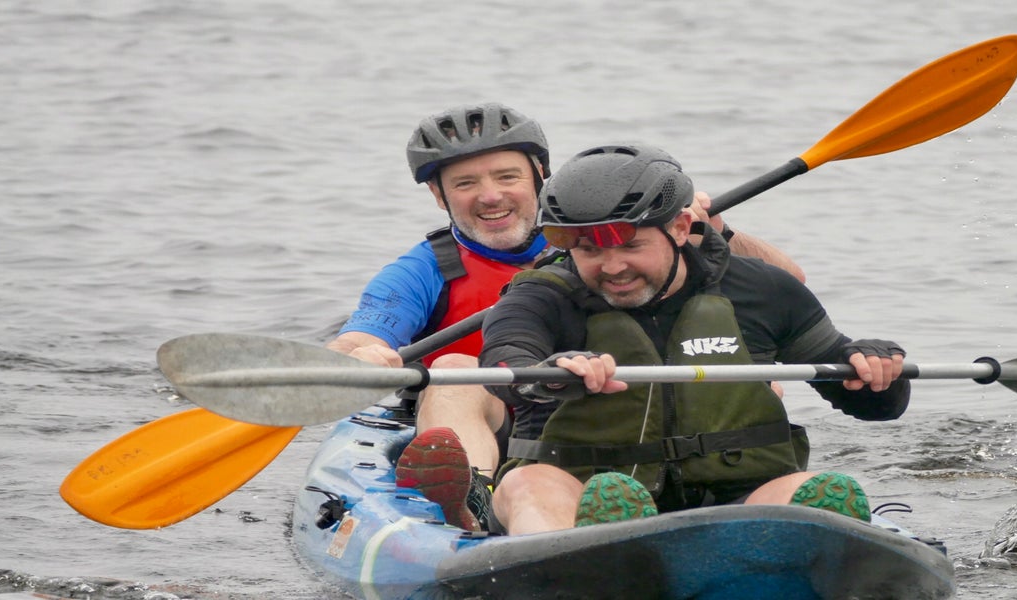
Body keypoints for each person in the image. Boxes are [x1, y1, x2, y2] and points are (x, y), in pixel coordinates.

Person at [327, 103, 805, 532]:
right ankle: (475, 497)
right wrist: (360, 357)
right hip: (503, 422)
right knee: (455, 369)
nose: (490, 196)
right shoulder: (421, 271)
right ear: (439, 195)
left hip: (621, 412)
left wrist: (716, 230)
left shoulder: (618, 237)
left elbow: (789, 293)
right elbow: (358, 338)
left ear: (540, 175)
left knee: (750, 377)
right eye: (466, 183)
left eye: (506, 177)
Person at [478, 144, 909, 535]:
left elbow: (876, 407)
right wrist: (549, 373)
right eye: (589, 250)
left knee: (817, 489)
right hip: (577, 489)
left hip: (738, 499)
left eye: (631, 246)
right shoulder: (542, 296)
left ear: (682, 228)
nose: (612, 267)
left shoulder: (762, 290)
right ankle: (575, 559)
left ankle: (786, 558)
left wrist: (874, 368)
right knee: (528, 482)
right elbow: (505, 359)